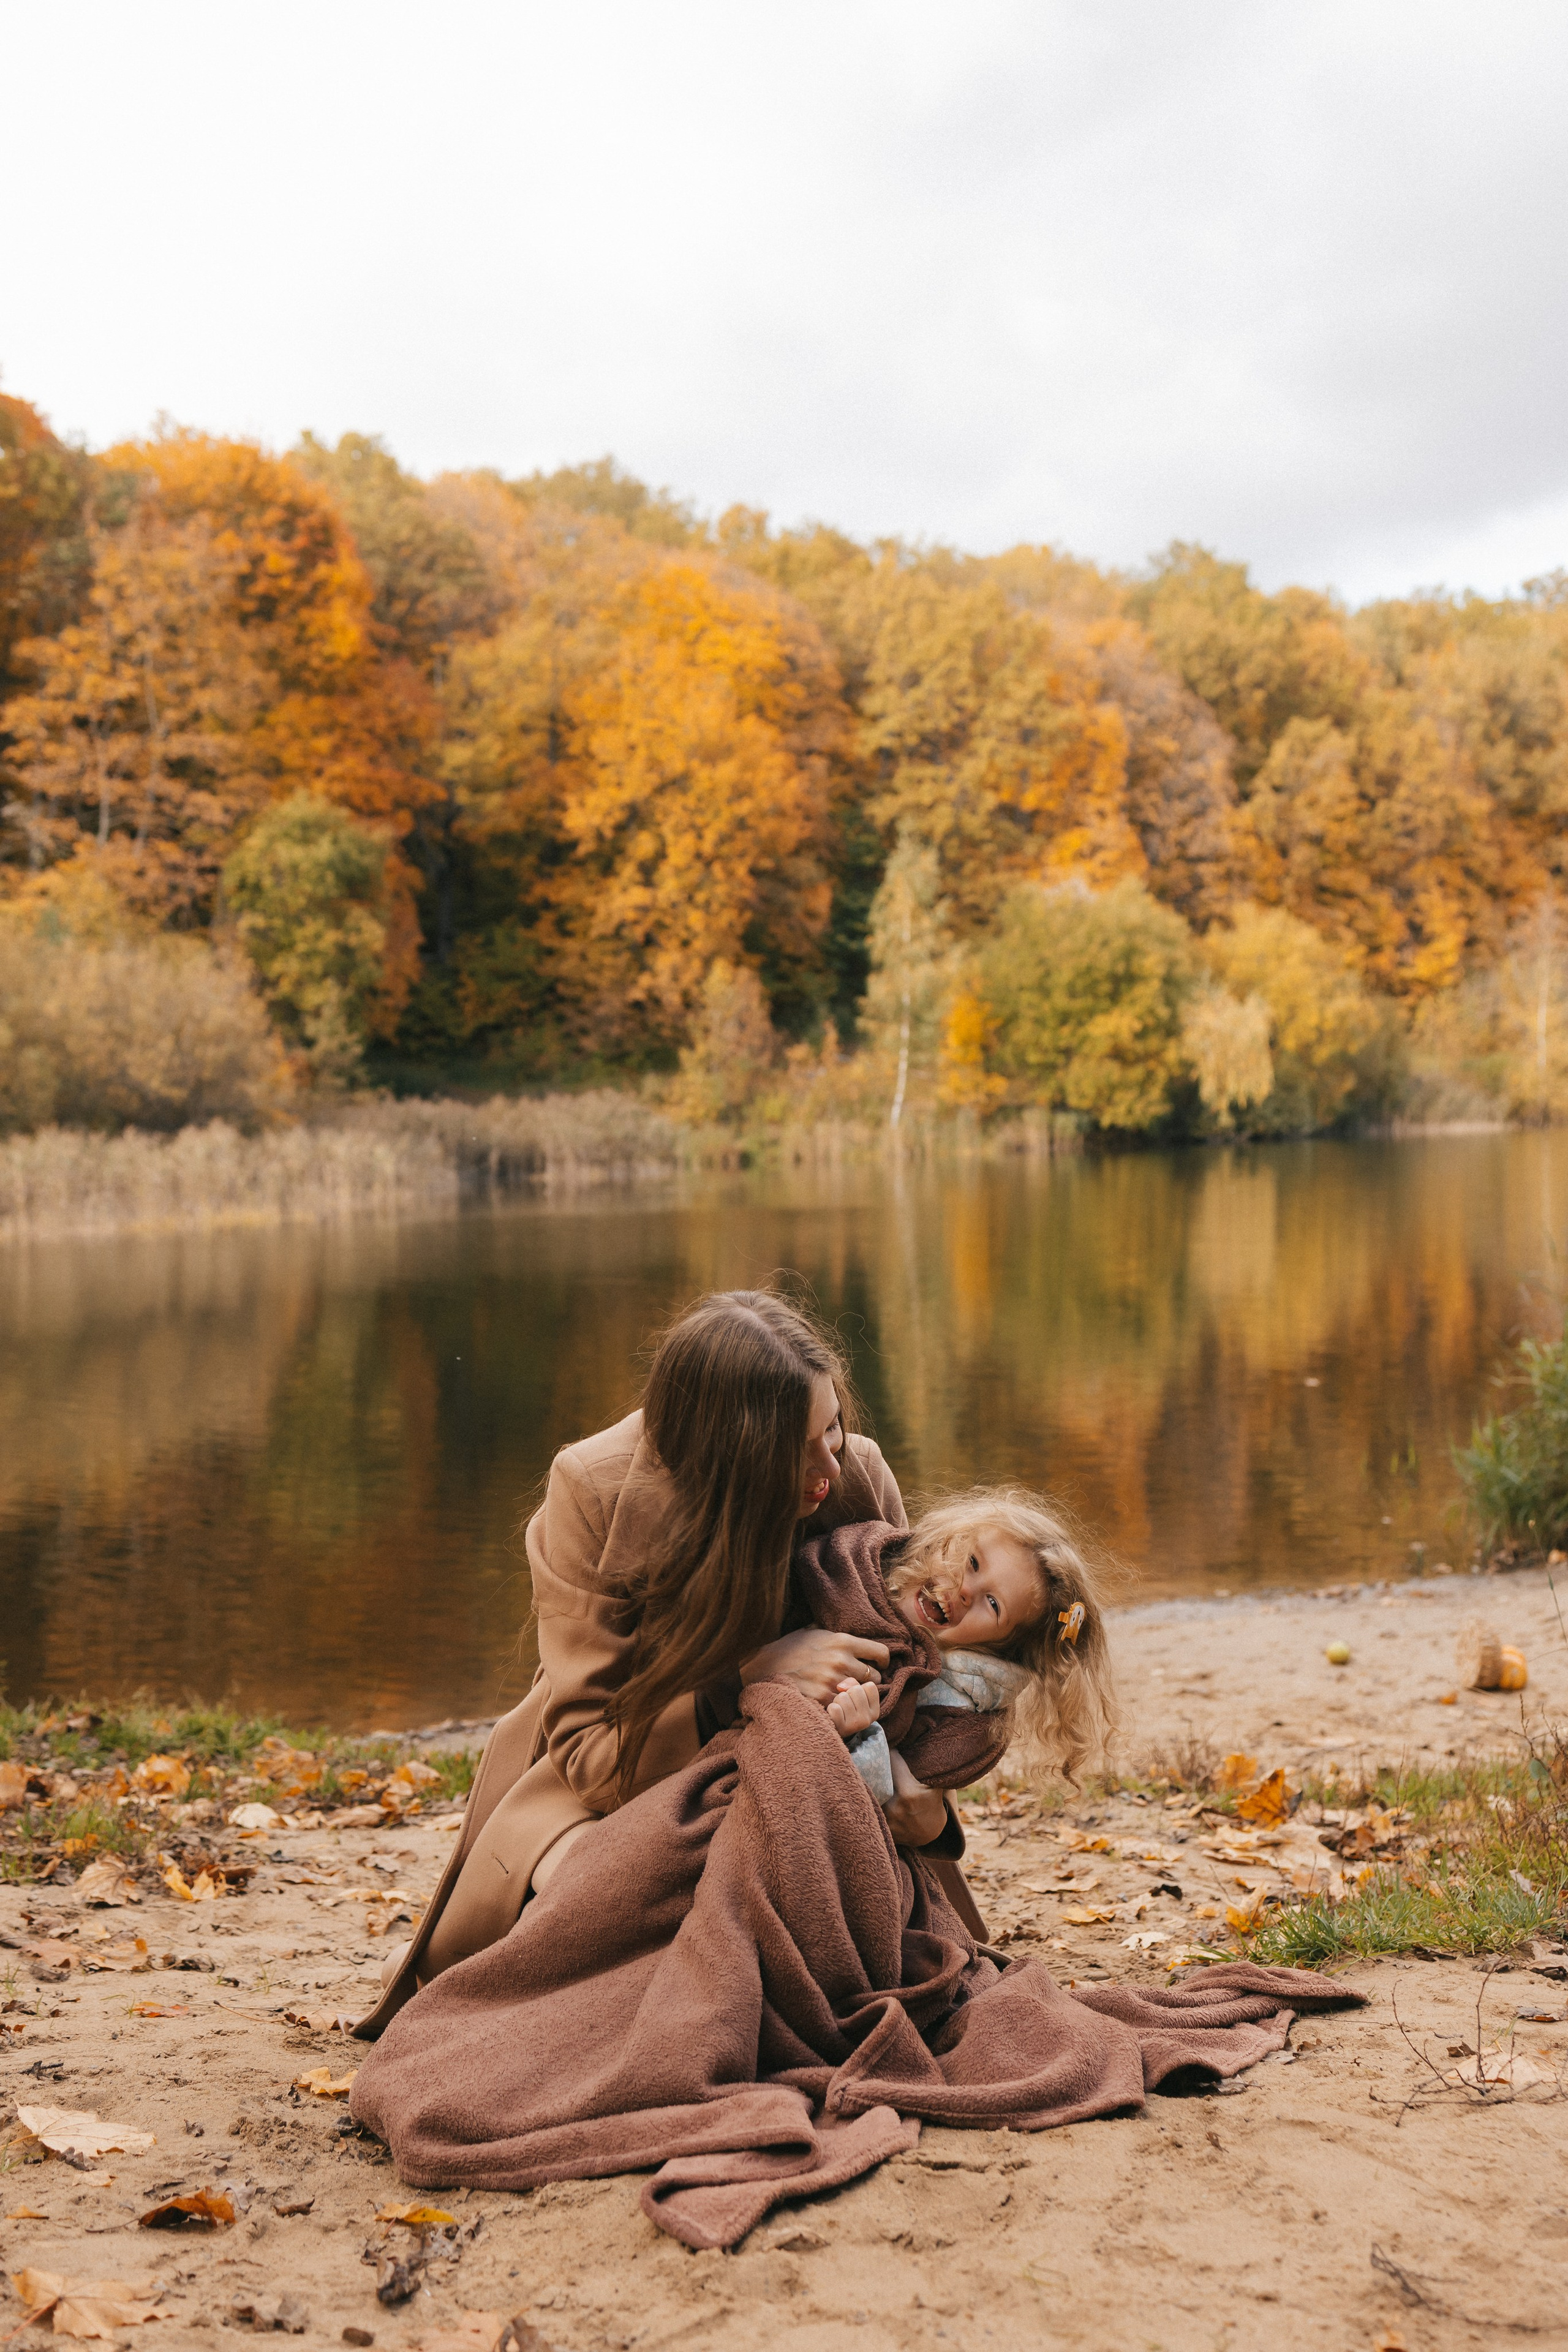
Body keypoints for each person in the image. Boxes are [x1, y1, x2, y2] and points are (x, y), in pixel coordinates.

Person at [355, 1288, 963, 2041]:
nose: (826, 1471)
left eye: (832, 1427)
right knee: (642, 1918)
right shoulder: (593, 1489)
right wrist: (747, 1683)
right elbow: (589, 1754)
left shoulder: (856, 1474)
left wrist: (920, 1796)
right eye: (793, 1449)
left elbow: (915, 1685)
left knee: (822, 1953)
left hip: (804, 1791)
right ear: (725, 1453)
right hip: (615, 1789)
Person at [815, 1487, 1114, 1839]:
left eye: (994, 1604)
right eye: (972, 1562)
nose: (965, 1591)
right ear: (951, 1536)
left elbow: (887, 1803)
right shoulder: (860, 1562)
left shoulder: (958, 1717)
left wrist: (860, 1737)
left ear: (998, 1648)